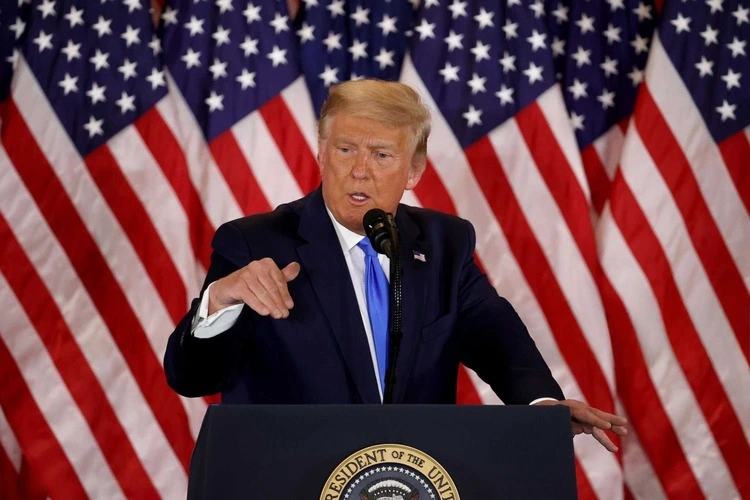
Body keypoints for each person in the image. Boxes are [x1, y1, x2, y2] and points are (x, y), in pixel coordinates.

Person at [164, 79, 626, 452]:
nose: (359, 170)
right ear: (322, 154)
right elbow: (193, 378)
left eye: (381, 155)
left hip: (410, 480)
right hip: (293, 478)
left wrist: (541, 405)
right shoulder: (255, 243)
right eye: (345, 149)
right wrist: (219, 301)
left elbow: (496, 338)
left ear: (413, 171)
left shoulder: (444, 243)